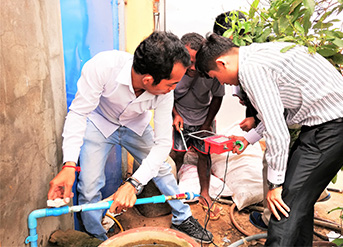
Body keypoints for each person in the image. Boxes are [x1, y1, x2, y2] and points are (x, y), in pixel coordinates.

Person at [48, 31, 213, 243]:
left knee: (162, 169)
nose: (174, 89)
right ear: (148, 80)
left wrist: (133, 184)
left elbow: (163, 144)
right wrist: (69, 164)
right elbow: (79, 113)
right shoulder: (103, 67)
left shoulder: (164, 90)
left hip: (136, 125)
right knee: (89, 187)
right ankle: (97, 237)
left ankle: (183, 217)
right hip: (100, 123)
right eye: (171, 84)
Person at [195, 33, 343, 246]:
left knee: (282, 204)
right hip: (324, 126)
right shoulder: (258, 54)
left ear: (221, 63)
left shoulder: (251, 70)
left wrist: (275, 184)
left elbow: (278, 132)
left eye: (216, 76)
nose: (223, 83)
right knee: (299, 201)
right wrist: (248, 139)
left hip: (330, 128)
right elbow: (276, 112)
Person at [169, 32, 225, 220]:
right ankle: (173, 194)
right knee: (177, 154)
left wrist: (207, 123)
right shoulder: (173, 69)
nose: (192, 67)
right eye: (188, 61)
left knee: (204, 155)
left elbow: (218, 97)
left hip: (204, 118)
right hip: (180, 117)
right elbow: (166, 95)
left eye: (196, 61)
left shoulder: (211, 72)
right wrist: (175, 115)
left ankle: (205, 193)